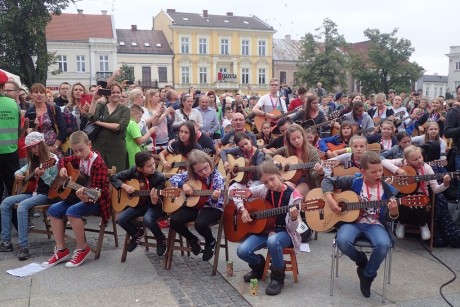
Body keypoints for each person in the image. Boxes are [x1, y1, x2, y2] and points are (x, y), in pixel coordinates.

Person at [322, 151, 399, 298]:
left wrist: (394, 211)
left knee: (383, 244)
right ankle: (361, 260)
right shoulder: (354, 181)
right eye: (374, 171)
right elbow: (327, 181)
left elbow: (391, 218)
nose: (379, 174)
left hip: (375, 224)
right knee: (342, 241)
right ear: (363, 171)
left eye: (381, 170)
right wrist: (331, 201)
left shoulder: (388, 190)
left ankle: (367, 275)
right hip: (353, 222)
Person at [42, 131, 111, 268]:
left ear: (89, 145)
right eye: (75, 151)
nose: (78, 154)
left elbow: (97, 194)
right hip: (77, 197)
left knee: (72, 211)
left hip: (98, 201)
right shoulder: (77, 158)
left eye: (81, 150)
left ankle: (82, 248)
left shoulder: (98, 163)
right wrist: (62, 168)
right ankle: (61, 249)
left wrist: (85, 198)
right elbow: (64, 160)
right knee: (53, 210)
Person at [236, 161, 303, 296]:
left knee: (273, 241)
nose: (270, 184)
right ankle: (259, 267)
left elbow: (292, 227)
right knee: (241, 251)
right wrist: (243, 209)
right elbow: (236, 194)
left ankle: (278, 278)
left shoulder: (294, 196)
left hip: (285, 233)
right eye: (265, 182)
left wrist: (294, 217)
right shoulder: (264, 189)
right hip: (265, 230)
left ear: (279, 175)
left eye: (272, 179)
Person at [0, 132, 58, 260]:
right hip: (33, 193)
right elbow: (25, 168)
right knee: (5, 203)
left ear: (41, 145)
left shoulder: (53, 160)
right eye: (30, 148)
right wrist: (18, 173)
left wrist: (43, 175)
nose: (32, 150)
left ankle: (24, 246)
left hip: (47, 194)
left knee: (22, 206)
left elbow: (54, 185)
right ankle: (6, 242)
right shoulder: (34, 159)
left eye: (34, 147)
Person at [382, 145, 450, 240]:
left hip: (421, 193)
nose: (419, 160)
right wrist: (398, 170)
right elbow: (383, 161)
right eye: (415, 159)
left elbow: (435, 189)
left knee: (421, 201)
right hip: (403, 191)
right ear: (407, 160)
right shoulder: (402, 163)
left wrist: (445, 184)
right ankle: (402, 223)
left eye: (420, 157)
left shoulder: (427, 169)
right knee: (402, 201)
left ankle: (423, 224)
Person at [169, 150, 225, 261]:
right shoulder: (192, 175)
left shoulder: (217, 178)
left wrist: (214, 198)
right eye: (199, 171)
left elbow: (218, 203)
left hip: (212, 207)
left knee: (200, 223)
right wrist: (183, 185)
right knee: (174, 220)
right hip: (196, 205)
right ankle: (192, 239)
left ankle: (210, 241)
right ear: (193, 170)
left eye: (206, 168)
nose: (204, 172)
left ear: (209, 163)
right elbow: (173, 178)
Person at [110, 151, 167, 255]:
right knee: (120, 219)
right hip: (138, 204)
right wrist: (125, 186)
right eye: (149, 166)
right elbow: (114, 178)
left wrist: (155, 201)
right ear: (140, 168)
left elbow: (160, 202)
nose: (153, 167)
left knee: (148, 219)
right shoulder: (134, 171)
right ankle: (136, 233)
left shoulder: (159, 178)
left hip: (153, 206)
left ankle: (161, 239)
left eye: (153, 164)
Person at [267, 123, 323, 196]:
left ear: (303, 136)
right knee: (280, 191)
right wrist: (274, 162)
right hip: (289, 179)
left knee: (293, 195)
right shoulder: (287, 149)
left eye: (298, 137)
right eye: (293, 139)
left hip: (307, 181)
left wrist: (320, 173)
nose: (296, 141)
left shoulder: (312, 152)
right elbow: (268, 155)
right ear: (289, 140)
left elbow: (314, 176)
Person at [88, 83, 130, 172]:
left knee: (116, 175)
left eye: (118, 92)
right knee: (98, 173)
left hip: (116, 148)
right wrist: (94, 99)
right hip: (98, 145)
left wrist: (99, 123)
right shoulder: (101, 106)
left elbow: (119, 127)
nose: (115, 94)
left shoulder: (125, 109)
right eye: (113, 92)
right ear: (108, 94)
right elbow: (91, 117)